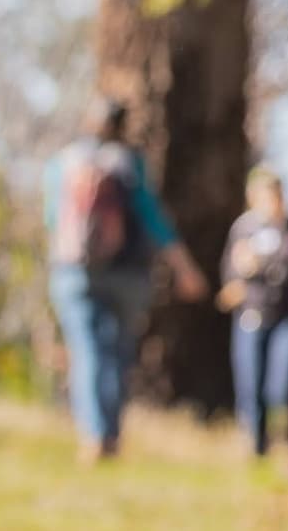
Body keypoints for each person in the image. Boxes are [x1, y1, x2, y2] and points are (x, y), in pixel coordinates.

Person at [40, 102, 207, 464]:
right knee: (115, 353)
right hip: (128, 274)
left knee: (87, 351)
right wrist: (185, 267)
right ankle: (110, 434)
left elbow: (52, 219)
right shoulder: (128, 164)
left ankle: (93, 435)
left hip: (73, 272)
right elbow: (152, 217)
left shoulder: (62, 164)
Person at [217, 167, 288, 457]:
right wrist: (237, 277)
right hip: (252, 313)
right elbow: (230, 271)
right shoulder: (244, 229)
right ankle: (256, 442)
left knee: (285, 379)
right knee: (251, 381)